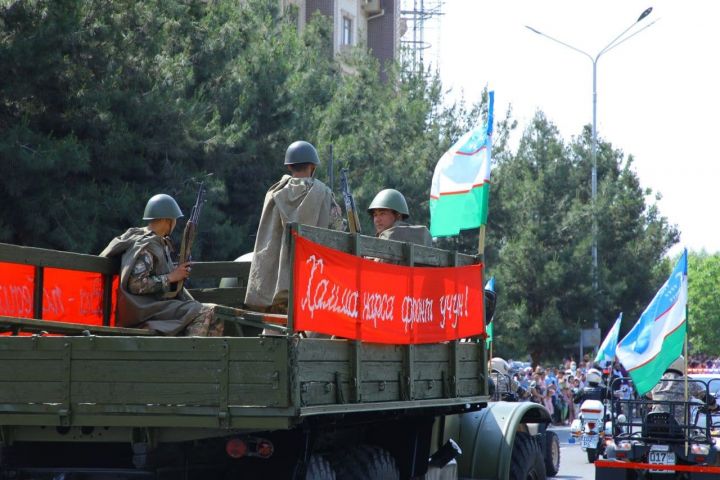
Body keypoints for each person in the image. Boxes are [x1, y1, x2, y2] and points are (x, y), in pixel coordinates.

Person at [100, 194, 222, 336]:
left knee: (215, 312)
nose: (175, 223)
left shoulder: (157, 242)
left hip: (154, 306)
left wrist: (176, 276)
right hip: (144, 310)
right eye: (174, 219)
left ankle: (200, 350)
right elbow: (136, 284)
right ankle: (191, 349)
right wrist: (171, 277)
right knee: (205, 311)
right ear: (166, 220)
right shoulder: (147, 246)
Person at [244, 140, 344, 312]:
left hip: (272, 288)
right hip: (311, 288)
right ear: (313, 166)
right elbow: (339, 233)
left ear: (289, 166)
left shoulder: (273, 194)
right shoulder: (324, 194)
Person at [649, 355, 717, 427]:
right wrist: (714, 406)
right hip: (680, 428)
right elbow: (707, 398)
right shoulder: (687, 382)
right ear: (682, 366)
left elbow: (647, 398)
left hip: (655, 427)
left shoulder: (656, 382)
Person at [368, 189, 432, 247]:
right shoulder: (424, 237)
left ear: (398, 215)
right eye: (375, 215)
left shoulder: (388, 238)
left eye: (382, 214)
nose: (377, 220)